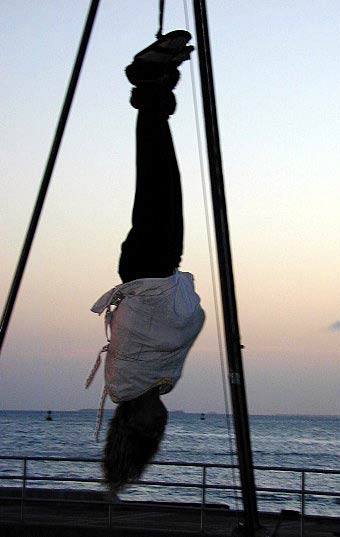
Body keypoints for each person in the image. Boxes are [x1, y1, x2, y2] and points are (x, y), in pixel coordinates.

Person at [87, 31, 205, 494]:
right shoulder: (156, 384)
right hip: (160, 266)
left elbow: (145, 332)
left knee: (157, 172)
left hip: (147, 267)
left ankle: (148, 85)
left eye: (154, 428)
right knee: (161, 172)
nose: (164, 422)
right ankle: (152, 90)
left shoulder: (129, 382)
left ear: (135, 422)